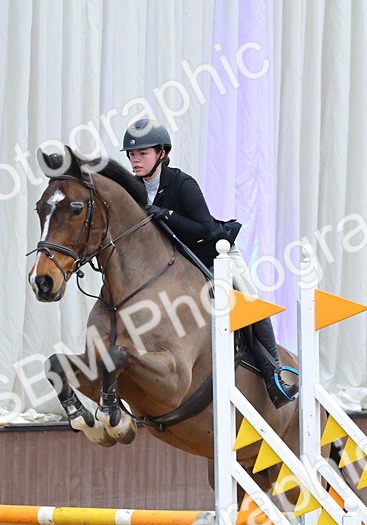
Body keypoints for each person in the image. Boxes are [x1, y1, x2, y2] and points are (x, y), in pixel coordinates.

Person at [121, 118, 298, 407]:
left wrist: (165, 215)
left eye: (142, 153)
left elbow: (207, 229)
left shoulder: (182, 184)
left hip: (217, 255)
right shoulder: (135, 189)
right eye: (132, 154)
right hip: (177, 265)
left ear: (162, 154)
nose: (135, 160)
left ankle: (274, 376)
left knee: (248, 303)